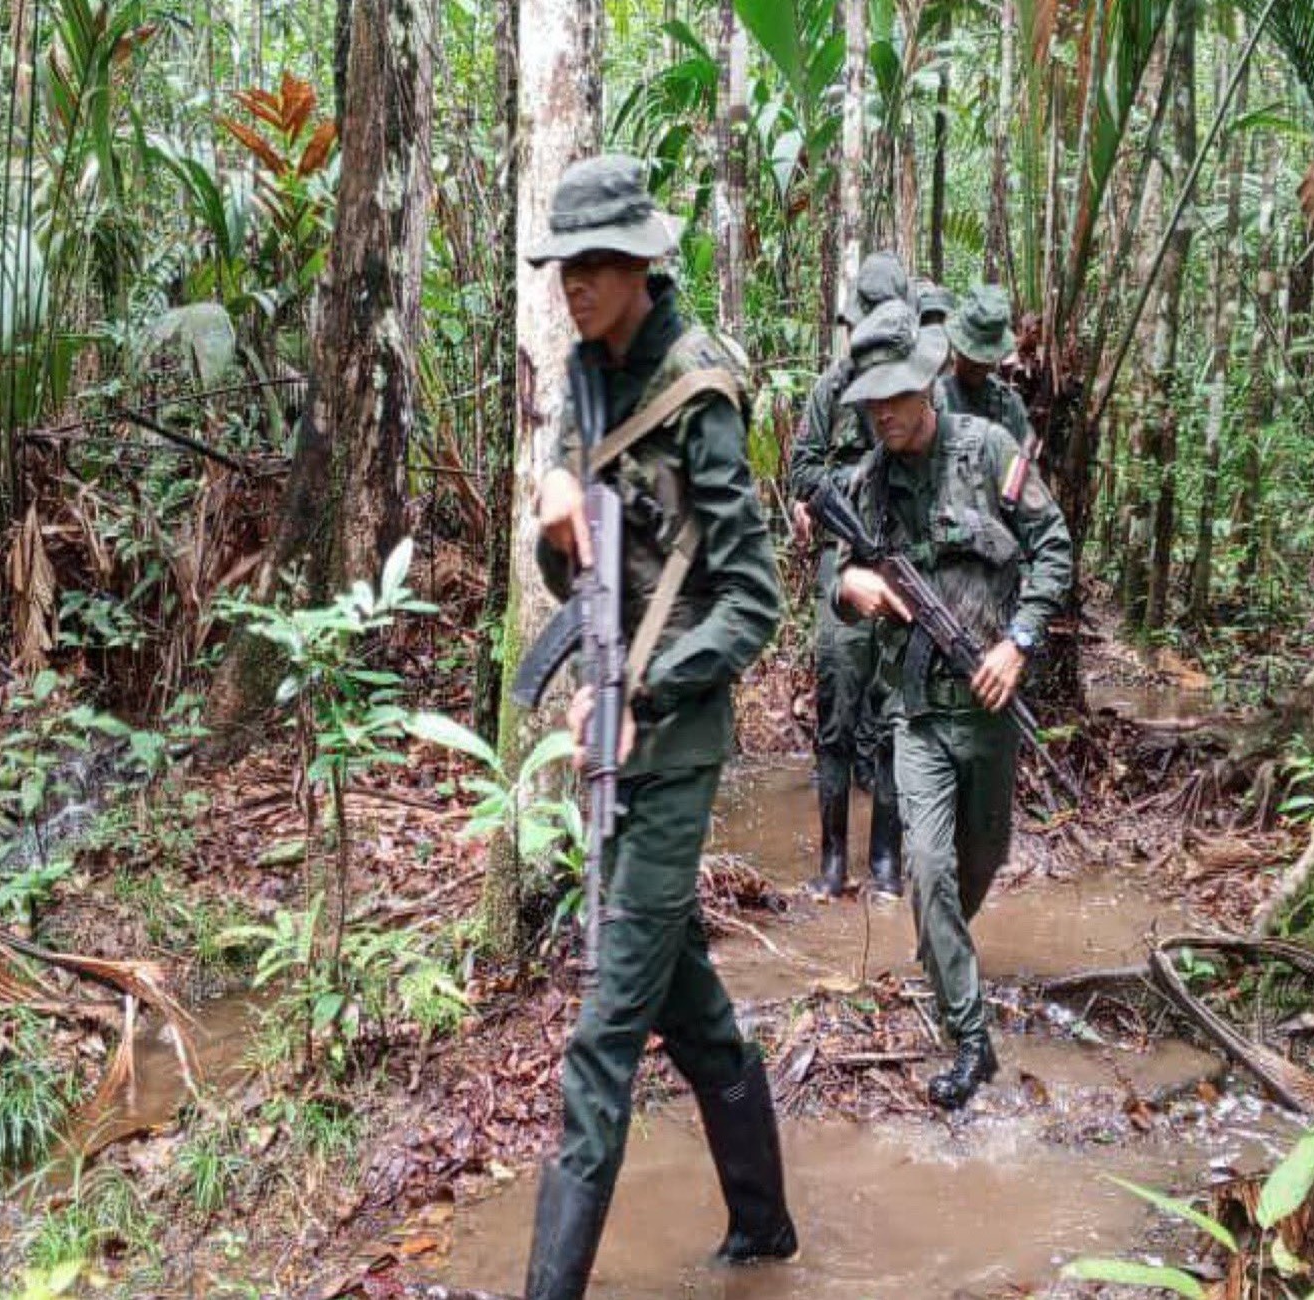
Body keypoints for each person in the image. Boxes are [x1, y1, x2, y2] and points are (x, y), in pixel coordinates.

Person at [523, 154, 797, 1299]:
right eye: (562, 266)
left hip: (669, 743)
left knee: (601, 1035)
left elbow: (754, 600)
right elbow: (583, 562)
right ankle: (765, 1232)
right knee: (685, 1004)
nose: (572, 286)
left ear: (640, 264)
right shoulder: (588, 378)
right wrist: (550, 505)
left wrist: (649, 687)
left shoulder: (696, 395)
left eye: (592, 265)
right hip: (603, 719)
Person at [828, 301, 1074, 1110]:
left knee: (979, 862)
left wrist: (1020, 641)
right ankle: (972, 1041)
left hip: (989, 708)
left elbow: (1052, 545)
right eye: (874, 400)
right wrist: (849, 585)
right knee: (929, 870)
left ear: (929, 383)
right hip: (918, 716)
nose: (887, 412)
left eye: (899, 395)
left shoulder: (989, 451)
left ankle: (943, 958)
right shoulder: (865, 486)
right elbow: (836, 577)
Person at [786, 251, 911, 900]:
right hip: (842, 561)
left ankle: (885, 865)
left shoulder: (920, 389)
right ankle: (834, 863)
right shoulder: (831, 389)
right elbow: (801, 470)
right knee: (836, 717)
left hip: (906, 568)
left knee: (894, 718)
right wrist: (847, 486)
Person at [937, 284, 1034, 445]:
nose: (979, 365)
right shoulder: (934, 400)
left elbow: (1026, 461)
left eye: (985, 360)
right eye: (972, 358)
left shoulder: (1009, 406)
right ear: (957, 347)